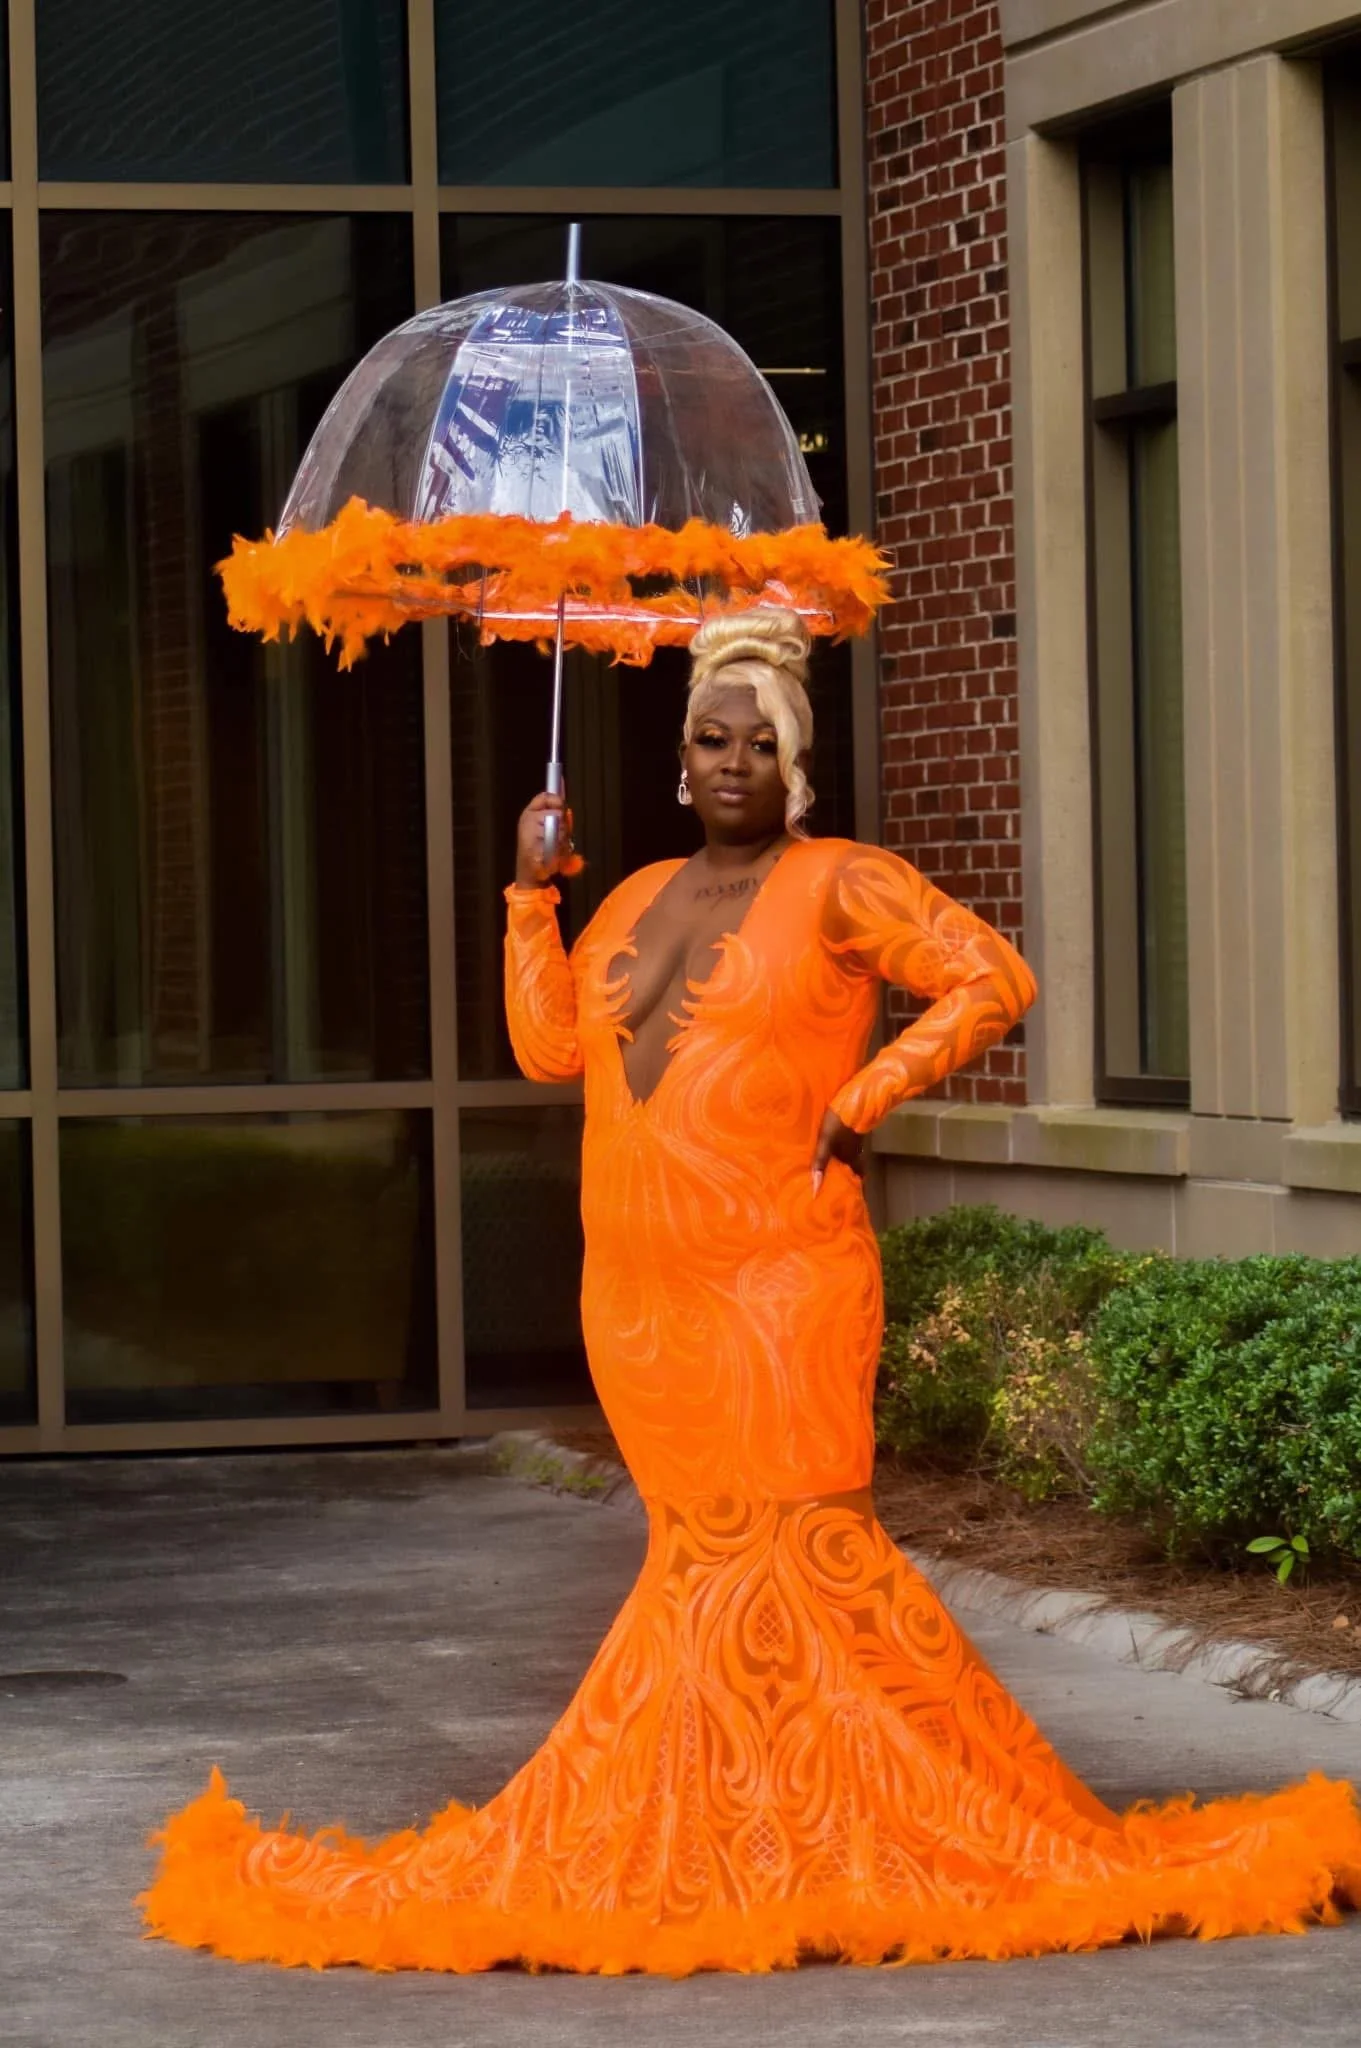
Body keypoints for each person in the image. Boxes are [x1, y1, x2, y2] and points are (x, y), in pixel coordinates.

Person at [142, 608, 1361, 1974]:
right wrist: (527, 893)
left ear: (799, 766)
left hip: (785, 1277)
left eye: (762, 742)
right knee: (701, 1562)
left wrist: (868, 1093)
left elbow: (988, 977)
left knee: (799, 1553)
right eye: (712, 739)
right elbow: (549, 1047)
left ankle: (835, 1833)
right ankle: (750, 1824)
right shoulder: (630, 897)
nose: (735, 761)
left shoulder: (843, 880)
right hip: (639, 1295)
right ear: (678, 763)